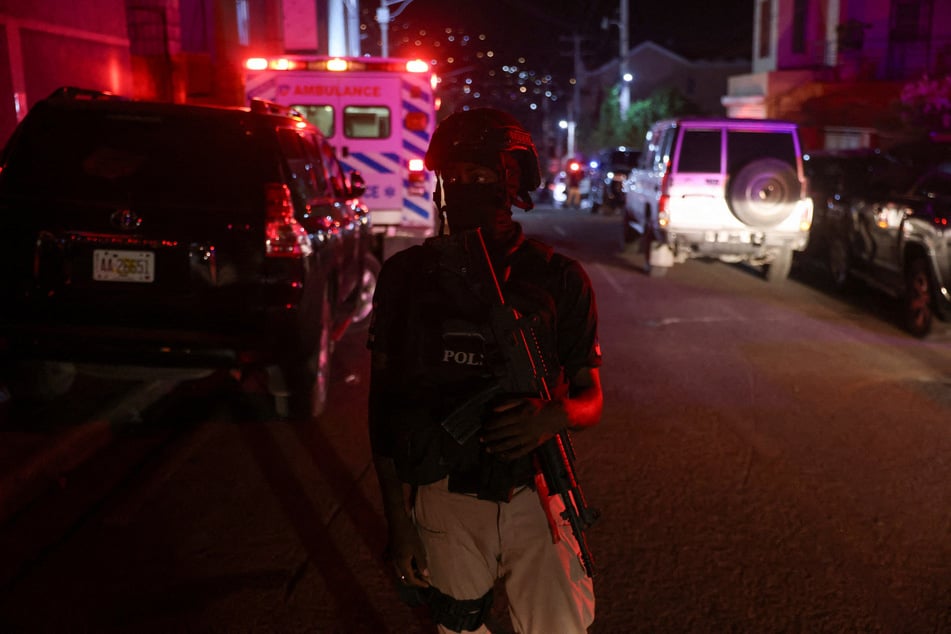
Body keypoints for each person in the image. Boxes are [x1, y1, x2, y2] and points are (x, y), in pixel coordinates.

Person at [367, 107, 603, 634]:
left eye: (482, 176)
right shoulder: (406, 277)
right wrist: (398, 522)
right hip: (445, 491)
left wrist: (549, 418)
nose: (466, 187)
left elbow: (591, 399)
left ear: (513, 184)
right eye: (455, 177)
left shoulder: (559, 279)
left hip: (537, 488)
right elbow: (383, 407)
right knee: (458, 626)